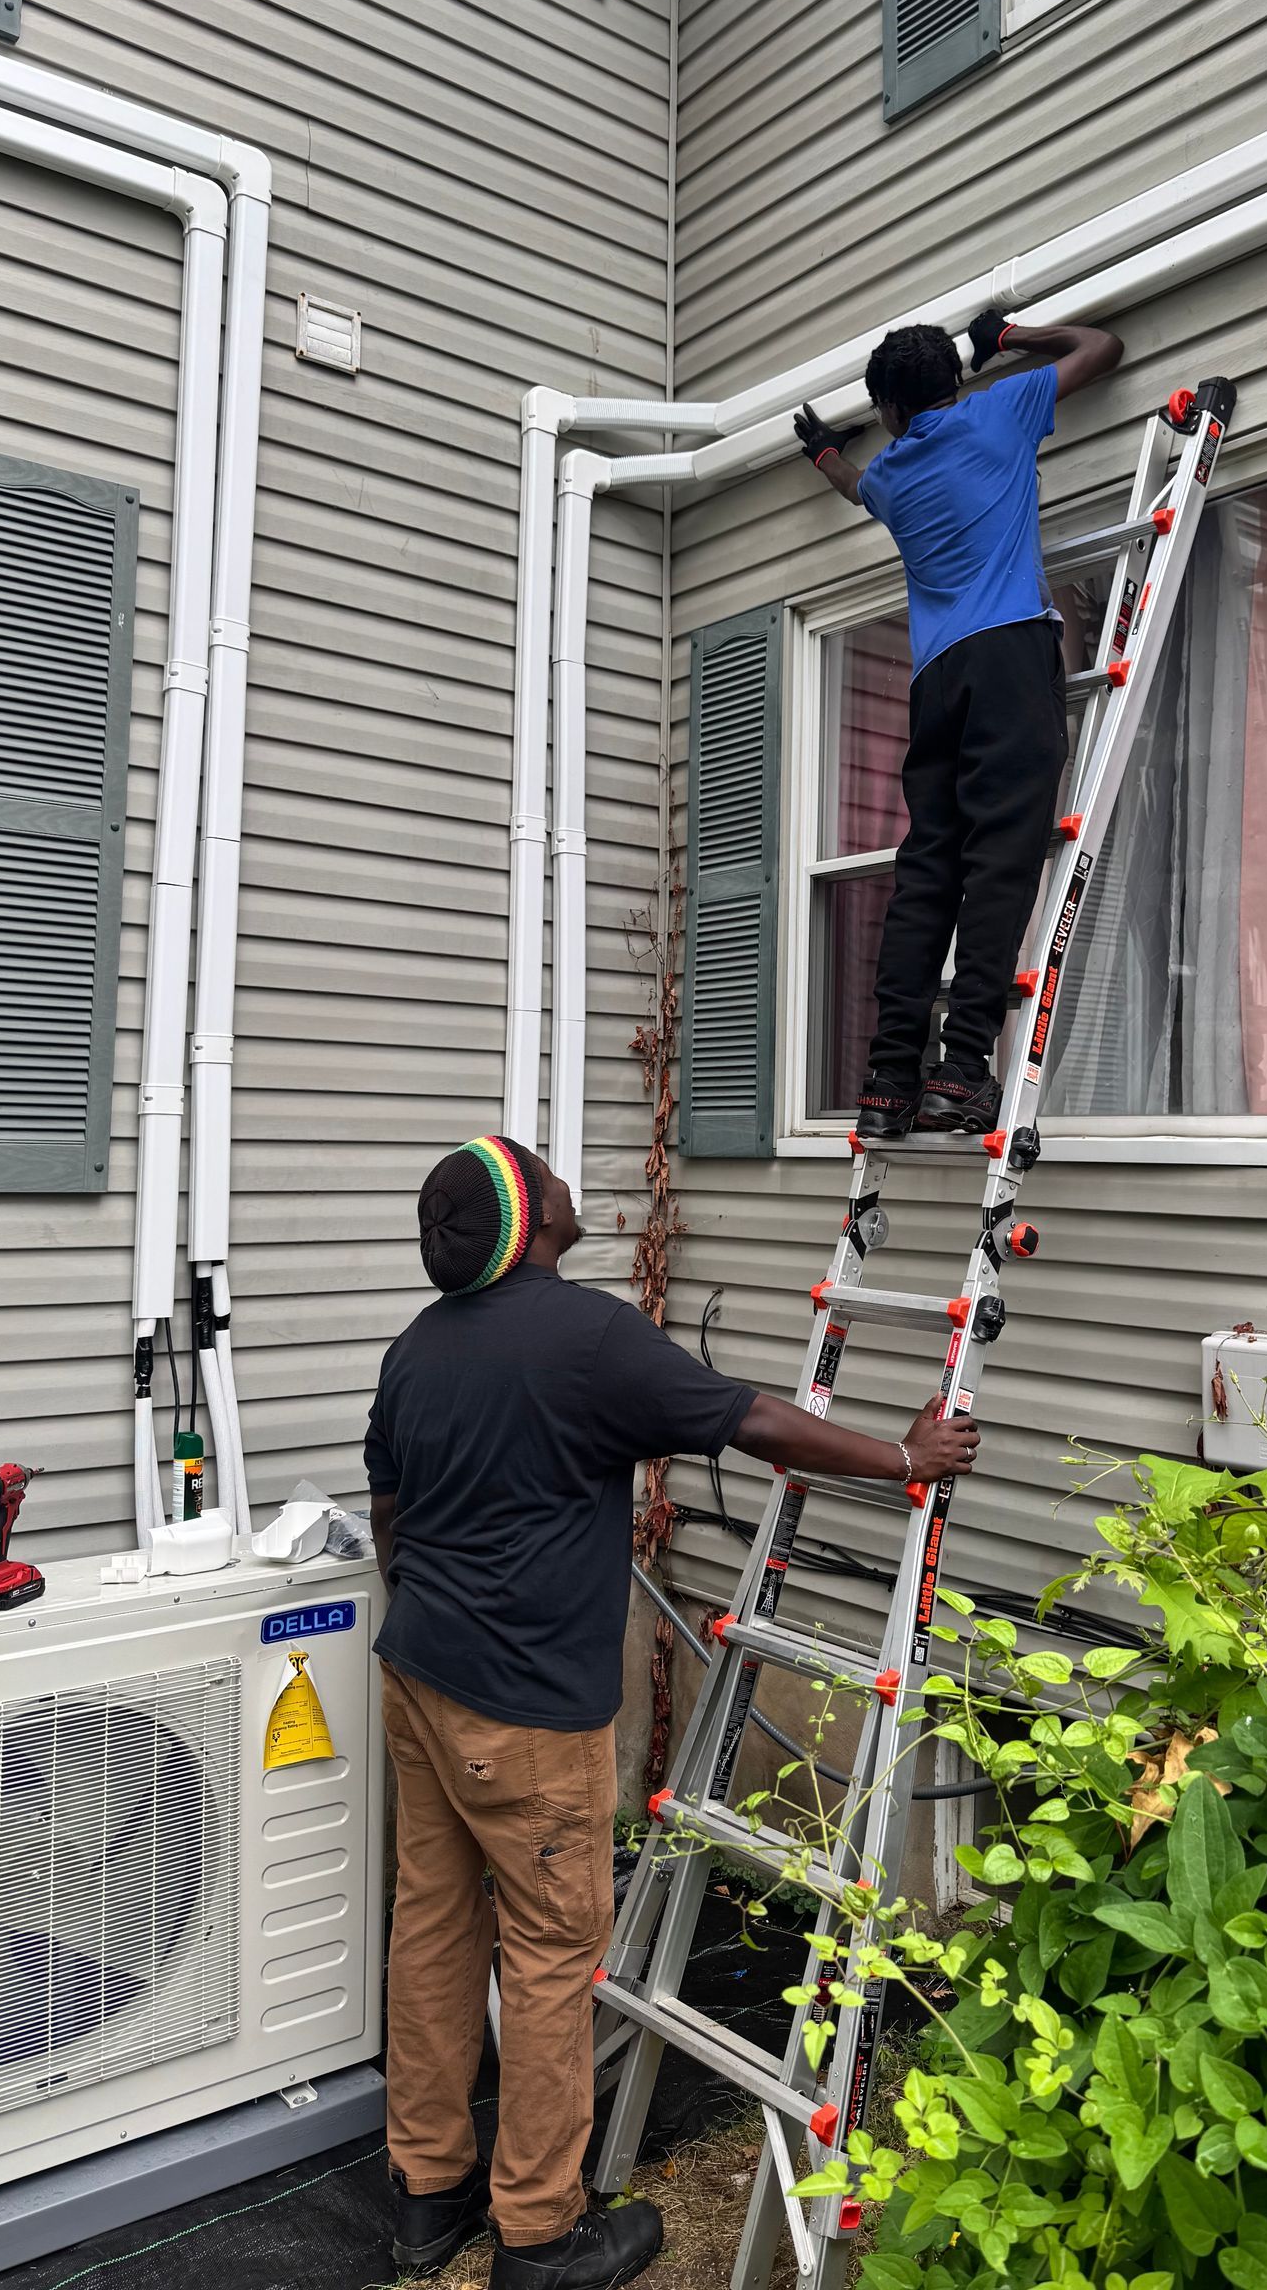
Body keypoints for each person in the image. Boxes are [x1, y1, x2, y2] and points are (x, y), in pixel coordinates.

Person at [367, 1133, 982, 2290]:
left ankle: (427, 2191)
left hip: (420, 1681)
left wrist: (450, 1607)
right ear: (530, 1220)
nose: (565, 1181)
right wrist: (903, 1453)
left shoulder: (414, 1351)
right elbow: (747, 1419)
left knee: (435, 1928)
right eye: (546, 1173)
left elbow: (393, 1519)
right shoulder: (585, 1336)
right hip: (528, 1711)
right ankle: (542, 2232)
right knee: (552, 1954)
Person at [795, 309, 1123, 1138]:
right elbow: (1102, 350)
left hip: (935, 681)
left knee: (928, 873)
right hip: (1009, 661)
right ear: (954, 384)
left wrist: (829, 452)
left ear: (892, 414)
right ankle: (962, 1073)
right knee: (1000, 864)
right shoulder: (1000, 410)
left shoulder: (891, 476)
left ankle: (887, 1081)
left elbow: (852, 481)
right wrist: (1009, 334)